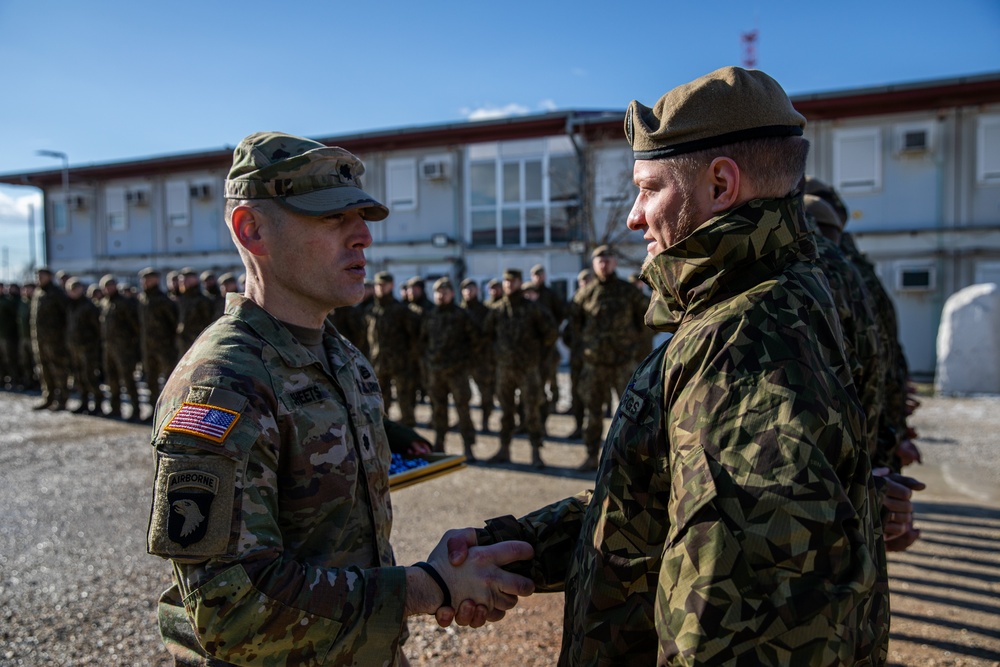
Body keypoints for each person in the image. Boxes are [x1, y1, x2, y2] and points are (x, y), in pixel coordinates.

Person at [443, 67, 894, 665]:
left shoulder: (743, 339)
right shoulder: (766, 296)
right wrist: (517, 546)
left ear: (720, 185)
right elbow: (662, 505)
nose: (634, 216)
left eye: (650, 188)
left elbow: (744, 625)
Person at [146, 132, 534, 665]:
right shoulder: (223, 383)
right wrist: (428, 588)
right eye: (331, 217)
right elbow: (231, 610)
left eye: (363, 218)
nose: (363, 238)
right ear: (252, 229)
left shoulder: (342, 356)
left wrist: (456, 565)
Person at [571, 245, 648, 470]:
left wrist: (633, 344)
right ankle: (590, 455)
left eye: (607, 260)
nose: (603, 264)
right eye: (599, 261)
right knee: (593, 413)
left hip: (623, 363)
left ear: (614, 263)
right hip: (594, 365)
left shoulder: (628, 291)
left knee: (631, 414)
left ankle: (629, 458)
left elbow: (646, 319)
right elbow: (574, 327)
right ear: (594, 265)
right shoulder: (585, 294)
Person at [482, 268, 557, 468]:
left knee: (532, 410)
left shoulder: (533, 309)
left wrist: (538, 356)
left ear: (519, 283)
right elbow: (486, 337)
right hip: (504, 369)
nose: (509, 285)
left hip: (528, 369)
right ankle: (504, 449)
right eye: (506, 281)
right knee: (506, 411)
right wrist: (496, 358)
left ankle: (535, 452)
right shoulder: (497, 310)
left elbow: (550, 333)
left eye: (513, 281)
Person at [420, 276, 478, 458]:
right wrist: (428, 361)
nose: (440, 296)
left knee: (463, 410)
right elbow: (422, 341)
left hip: (457, 372)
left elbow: (475, 341)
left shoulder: (461, 315)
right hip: (436, 372)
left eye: (444, 292)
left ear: (452, 294)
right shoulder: (430, 315)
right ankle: (439, 444)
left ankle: (468, 447)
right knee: (438, 409)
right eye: (438, 292)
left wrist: (465, 362)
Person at [366, 271, 419, 426]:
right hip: (379, 363)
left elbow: (414, 337)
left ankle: (409, 433)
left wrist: (409, 358)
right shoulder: (372, 310)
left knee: (405, 399)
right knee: (381, 400)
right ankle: (385, 432)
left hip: (400, 363)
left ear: (392, 286)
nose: (381, 288)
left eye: (384, 285)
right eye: (378, 285)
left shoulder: (401, 310)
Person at [99, 275, 142, 421]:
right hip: (108, 348)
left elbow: (135, 326)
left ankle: (136, 409)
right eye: (106, 286)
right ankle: (115, 408)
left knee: (128, 379)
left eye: (111, 285)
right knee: (112, 379)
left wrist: (132, 345)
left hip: (124, 349)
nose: (108, 288)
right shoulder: (104, 303)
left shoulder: (124, 303)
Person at [137, 267, 179, 412]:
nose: (144, 282)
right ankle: (154, 410)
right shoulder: (142, 299)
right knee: (151, 380)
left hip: (164, 347)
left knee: (169, 380)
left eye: (148, 279)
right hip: (148, 347)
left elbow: (174, 323)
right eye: (143, 279)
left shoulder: (163, 301)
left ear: (156, 280)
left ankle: (170, 410)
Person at [30, 267, 70, 410]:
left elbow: (66, 315)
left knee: (58, 369)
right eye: (37, 276)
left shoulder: (57, 293)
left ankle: (62, 399)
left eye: (42, 275)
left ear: (49, 276)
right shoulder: (38, 292)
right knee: (44, 369)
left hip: (55, 340)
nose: (39, 278)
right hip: (40, 340)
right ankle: (49, 397)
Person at [460, 278, 497, 432]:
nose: (468, 292)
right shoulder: (458, 311)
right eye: (465, 289)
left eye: (471, 289)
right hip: (462, 360)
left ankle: (485, 421)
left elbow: (490, 335)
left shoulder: (485, 310)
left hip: (482, 360)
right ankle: (464, 421)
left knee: (486, 393)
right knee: (461, 394)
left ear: (477, 290)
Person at [65, 278, 103, 414]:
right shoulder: (70, 306)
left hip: (88, 348)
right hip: (75, 347)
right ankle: (84, 402)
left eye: (76, 289)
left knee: (90, 377)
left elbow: (97, 328)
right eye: (71, 289)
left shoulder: (88, 306)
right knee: (79, 377)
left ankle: (98, 404)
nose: (73, 292)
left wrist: (93, 344)